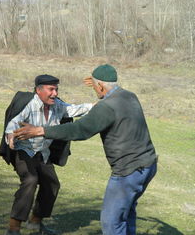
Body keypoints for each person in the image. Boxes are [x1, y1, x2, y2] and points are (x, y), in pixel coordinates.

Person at [13, 64, 158, 235]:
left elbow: (79, 129)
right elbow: (105, 96)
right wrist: (100, 83)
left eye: (97, 86)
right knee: (127, 212)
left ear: (101, 86)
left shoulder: (107, 107)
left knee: (111, 221)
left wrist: (40, 130)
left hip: (128, 171)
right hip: (148, 165)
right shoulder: (128, 96)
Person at [0, 74, 93, 235]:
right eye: (51, 89)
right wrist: (10, 135)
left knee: (52, 184)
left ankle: (35, 223)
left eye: (56, 89)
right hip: (24, 151)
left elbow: (73, 109)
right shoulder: (29, 104)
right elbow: (14, 123)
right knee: (30, 180)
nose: (55, 93)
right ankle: (13, 228)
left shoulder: (57, 105)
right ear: (39, 90)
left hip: (43, 153)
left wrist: (98, 105)